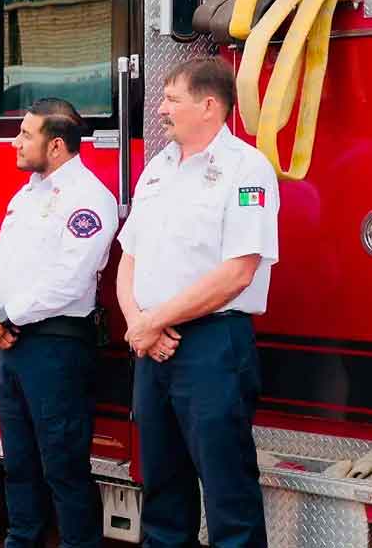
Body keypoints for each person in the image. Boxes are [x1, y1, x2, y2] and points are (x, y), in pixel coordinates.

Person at [116, 57, 279, 547]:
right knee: (162, 492)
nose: (160, 108)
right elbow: (130, 257)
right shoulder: (156, 170)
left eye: (172, 99)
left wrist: (153, 323)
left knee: (229, 496)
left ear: (209, 106)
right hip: (153, 348)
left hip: (213, 347)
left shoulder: (246, 169)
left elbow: (237, 272)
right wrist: (138, 322)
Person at [0, 98, 117, 548]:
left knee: (63, 467)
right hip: (13, 345)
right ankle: (21, 540)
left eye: (25, 135)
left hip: (56, 349)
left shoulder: (90, 199)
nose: (15, 143)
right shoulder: (26, 194)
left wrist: (4, 316)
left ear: (56, 145)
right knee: (18, 463)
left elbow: (68, 282)